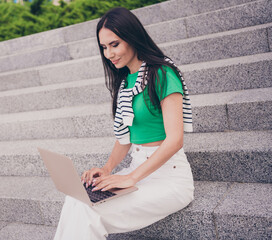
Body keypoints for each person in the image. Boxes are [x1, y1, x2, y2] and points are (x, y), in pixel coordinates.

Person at [53, 7, 194, 240]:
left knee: (89, 211)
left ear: (132, 37)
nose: (109, 53)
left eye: (114, 44)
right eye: (104, 47)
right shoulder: (126, 81)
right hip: (138, 169)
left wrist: (131, 177)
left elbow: (175, 140)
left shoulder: (162, 74)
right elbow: (125, 137)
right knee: (77, 199)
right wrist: (107, 169)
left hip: (170, 179)